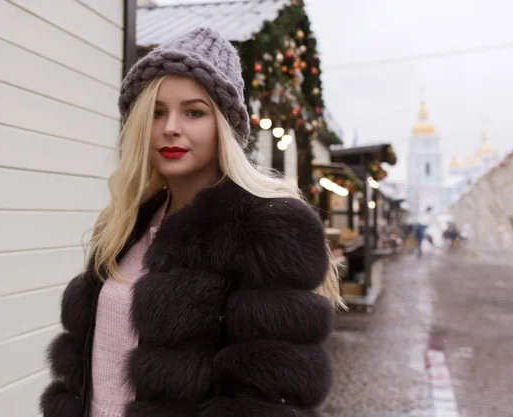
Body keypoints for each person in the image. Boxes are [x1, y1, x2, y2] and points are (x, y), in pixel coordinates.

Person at [40, 28, 342, 417]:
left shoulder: (266, 227)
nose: (170, 127)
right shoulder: (124, 223)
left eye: (194, 112)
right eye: (157, 112)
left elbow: (266, 399)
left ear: (224, 126)